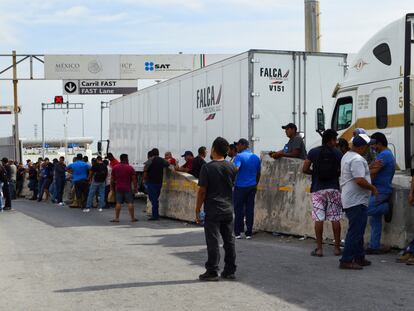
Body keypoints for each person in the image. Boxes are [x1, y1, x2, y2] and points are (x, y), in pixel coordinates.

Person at [196, 137, 237, 281]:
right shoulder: (232, 167)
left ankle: (212, 271)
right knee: (229, 241)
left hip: (213, 209)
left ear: (213, 149)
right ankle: (230, 270)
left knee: (213, 241)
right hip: (228, 209)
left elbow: (202, 191)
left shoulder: (207, 167)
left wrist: (197, 210)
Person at [339, 133, 378, 270]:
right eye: (367, 146)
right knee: (355, 230)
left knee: (358, 229)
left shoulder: (348, 156)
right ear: (361, 147)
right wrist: (372, 188)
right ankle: (347, 259)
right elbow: (359, 179)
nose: (369, 148)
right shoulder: (357, 159)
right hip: (356, 200)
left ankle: (359, 257)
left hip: (353, 199)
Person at [303, 129, 343, 257]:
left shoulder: (313, 152)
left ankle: (319, 249)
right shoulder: (338, 153)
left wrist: (314, 173)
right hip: (333, 189)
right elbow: (342, 170)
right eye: (335, 139)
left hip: (318, 189)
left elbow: (304, 169)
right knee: (335, 218)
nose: (336, 142)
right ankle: (337, 248)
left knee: (319, 218)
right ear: (330, 140)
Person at [365, 132, 395, 254]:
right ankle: (374, 246)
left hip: (381, 191)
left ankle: (386, 208)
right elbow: (371, 169)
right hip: (378, 190)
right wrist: (370, 168)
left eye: (374, 145)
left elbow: (373, 171)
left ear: (380, 143)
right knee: (374, 220)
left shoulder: (384, 155)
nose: (372, 147)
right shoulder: (384, 154)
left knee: (363, 210)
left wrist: (367, 169)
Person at [233, 138, 261, 239]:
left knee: (238, 209)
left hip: (240, 186)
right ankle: (248, 233)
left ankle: (237, 233)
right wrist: (255, 183)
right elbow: (258, 173)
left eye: (238, 145)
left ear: (243, 145)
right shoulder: (256, 157)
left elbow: (236, 169)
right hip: (252, 186)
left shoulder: (239, 156)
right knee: (249, 209)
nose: (237, 147)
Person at [110, 153, 138, 222]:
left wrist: (111, 188)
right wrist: (135, 188)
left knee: (118, 203)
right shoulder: (130, 168)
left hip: (118, 187)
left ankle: (117, 218)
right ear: (126, 159)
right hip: (127, 188)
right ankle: (132, 218)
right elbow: (134, 179)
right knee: (130, 203)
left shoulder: (115, 167)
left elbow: (112, 179)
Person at [144, 148, 169, 220]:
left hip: (151, 182)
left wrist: (144, 180)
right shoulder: (162, 160)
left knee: (153, 199)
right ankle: (155, 214)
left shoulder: (150, 160)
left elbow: (145, 170)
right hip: (159, 182)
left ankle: (155, 215)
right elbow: (168, 164)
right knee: (155, 199)